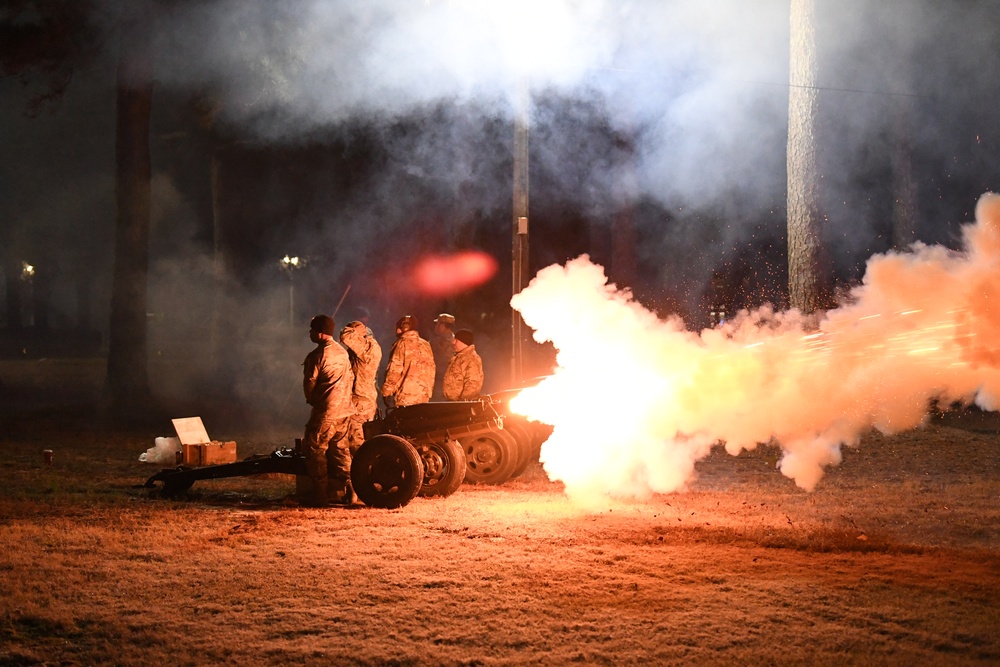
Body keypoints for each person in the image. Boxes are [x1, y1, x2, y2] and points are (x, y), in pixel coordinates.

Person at [301, 314, 355, 506]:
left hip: (326, 412)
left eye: (312, 330)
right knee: (341, 451)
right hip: (345, 410)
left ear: (320, 333)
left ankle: (319, 495)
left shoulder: (317, 356)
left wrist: (314, 400)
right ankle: (352, 490)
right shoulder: (343, 352)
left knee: (315, 449)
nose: (309, 333)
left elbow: (310, 385)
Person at [339, 319, 383, 454]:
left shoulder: (366, 347)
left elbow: (345, 336)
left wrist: (355, 330)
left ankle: (360, 471)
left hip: (360, 400)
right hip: (367, 399)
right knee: (364, 438)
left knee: (356, 441)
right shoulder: (372, 347)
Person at [381, 314, 435, 408]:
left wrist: (387, 391)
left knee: (405, 421)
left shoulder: (402, 344)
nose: (396, 330)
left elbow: (395, 370)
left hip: (406, 396)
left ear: (404, 327)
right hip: (423, 396)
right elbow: (431, 369)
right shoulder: (426, 344)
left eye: (398, 327)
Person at [442, 328, 484, 401]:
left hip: (461, 406)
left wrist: (463, 404)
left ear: (464, 342)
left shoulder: (472, 359)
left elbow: (472, 384)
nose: (453, 342)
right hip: (453, 404)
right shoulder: (458, 358)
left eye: (456, 340)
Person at [430, 313, 456, 399]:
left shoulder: (435, 343)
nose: (435, 327)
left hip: (439, 384)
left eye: (437, 324)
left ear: (442, 326)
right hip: (449, 385)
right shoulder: (457, 343)